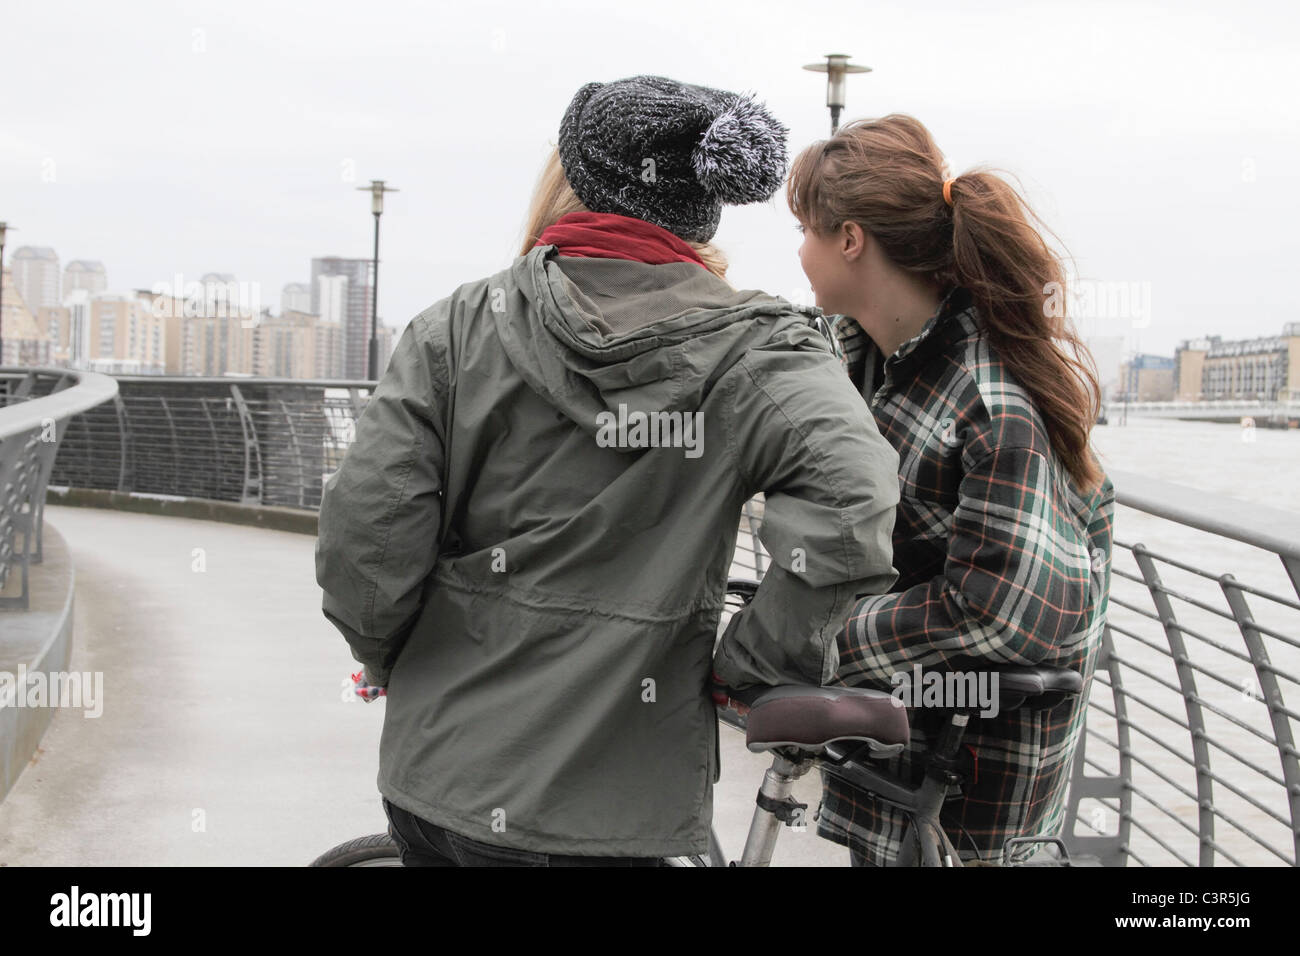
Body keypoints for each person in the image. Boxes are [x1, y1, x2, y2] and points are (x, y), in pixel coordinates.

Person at [315, 75, 901, 866]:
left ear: (576, 180)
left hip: (441, 781)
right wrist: (749, 666)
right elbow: (854, 497)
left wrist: (396, 659)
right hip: (620, 809)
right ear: (703, 202)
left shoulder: (456, 328)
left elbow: (366, 541)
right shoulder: (762, 353)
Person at [785, 113, 1115, 866]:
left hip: (968, 800)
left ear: (851, 239)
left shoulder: (989, 397)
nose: (798, 251)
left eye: (806, 228)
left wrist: (822, 639)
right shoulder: (873, 363)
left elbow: (1003, 612)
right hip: (901, 761)